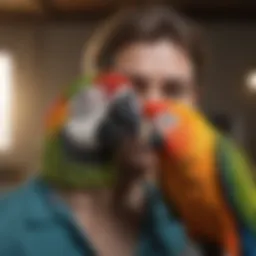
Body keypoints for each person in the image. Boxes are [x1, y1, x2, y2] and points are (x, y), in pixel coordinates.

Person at [0, 5, 204, 256]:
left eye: (173, 90)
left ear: (195, 105)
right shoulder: (8, 228)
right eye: (133, 87)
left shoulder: (190, 229)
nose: (154, 109)